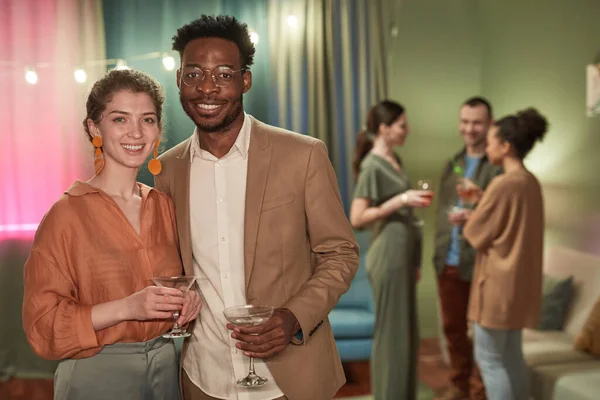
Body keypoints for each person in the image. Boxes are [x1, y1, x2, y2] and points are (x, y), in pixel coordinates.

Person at [154, 15, 359, 400]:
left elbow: (340, 253)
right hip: (204, 379)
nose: (208, 87)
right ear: (180, 79)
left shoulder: (303, 155)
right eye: (195, 74)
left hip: (291, 379)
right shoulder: (167, 170)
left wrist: (293, 317)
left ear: (245, 80)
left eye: (224, 74)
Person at [22, 68, 201, 400]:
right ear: (95, 128)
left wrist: (190, 301)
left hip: (171, 369)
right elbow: (41, 326)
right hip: (97, 373)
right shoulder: (65, 215)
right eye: (120, 119)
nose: (135, 131)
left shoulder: (165, 206)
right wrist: (127, 307)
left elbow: (185, 282)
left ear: (157, 129)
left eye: (147, 120)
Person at [463, 108, 548, 400]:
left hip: (497, 287)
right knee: (512, 358)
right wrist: (483, 200)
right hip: (520, 287)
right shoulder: (531, 182)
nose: (487, 148)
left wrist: (475, 210)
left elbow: (474, 234)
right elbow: (514, 226)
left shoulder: (503, 183)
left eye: (490, 142)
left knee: (490, 361)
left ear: (506, 146)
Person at [349, 100, 432, 400]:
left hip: (403, 255)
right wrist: (400, 200)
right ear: (384, 128)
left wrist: (415, 258)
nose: (407, 130)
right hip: (388, 255)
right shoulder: (373, 164)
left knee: (407, 332)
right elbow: (357, 218)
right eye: (402, 125)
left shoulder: (395, 160)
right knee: (392, 334)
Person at [433, 97, 502, 400]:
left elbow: (502, 213)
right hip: (448, 260)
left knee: (484, 335)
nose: (469, 128)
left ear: (489, 124)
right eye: (465, 121)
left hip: (482, 263)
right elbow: (442, 211)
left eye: (476, 122)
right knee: (454, 330)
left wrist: (474, 213)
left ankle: (480, 392)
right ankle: (459, 386)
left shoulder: (498, 165)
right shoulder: (455, 163)